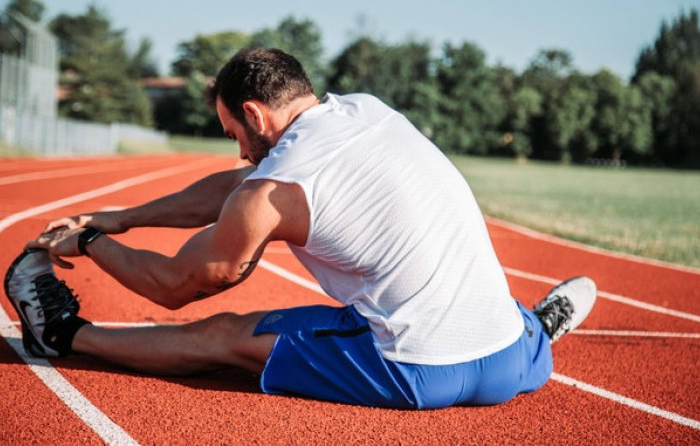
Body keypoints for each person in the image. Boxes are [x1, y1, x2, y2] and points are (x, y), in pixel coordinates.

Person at [5, 48, 597, 409]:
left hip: (414, 367)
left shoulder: (271, 191)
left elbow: (176, 284)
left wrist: (90, 241)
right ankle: (537, 331)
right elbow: (238, 187)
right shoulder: (365, 110)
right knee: (469, 284)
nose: (237, 151)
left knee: (223, 336)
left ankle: (62, 336)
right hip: (507, 363)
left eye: (233, 133)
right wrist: (121, 217)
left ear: (256, 115)